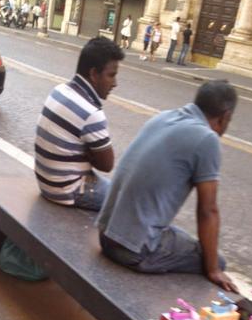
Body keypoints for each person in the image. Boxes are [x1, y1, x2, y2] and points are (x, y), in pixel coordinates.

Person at [97, 81, 239, 292]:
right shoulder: (207, 139)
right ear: (225, 116)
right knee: (216, 261)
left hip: (105, 235)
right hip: (136, 251)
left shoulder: (163, 117)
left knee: (182, 237)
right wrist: (213, 270)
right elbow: (208, 211)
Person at [35, 37, 124, 211]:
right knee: (129, 201)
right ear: (93, 74)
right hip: (68, 190)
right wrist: (88, 152)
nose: (114, 83)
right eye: (111, 75)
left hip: (47, 183)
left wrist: (85, 151)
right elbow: (107, 165)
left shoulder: (59, 90)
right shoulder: (91, 112)